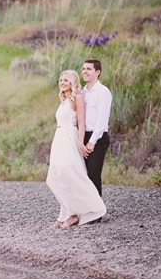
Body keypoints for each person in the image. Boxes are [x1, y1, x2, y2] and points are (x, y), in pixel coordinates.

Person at [46, 70, 106, 229]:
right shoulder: (63, 98)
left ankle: (76, 214)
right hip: (59, 138)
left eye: (66, 80)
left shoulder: (77, 98)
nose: (62, 82)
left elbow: (81, 123)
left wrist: (81, 143)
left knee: (69, 173)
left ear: (72, 81)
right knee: (55, 176)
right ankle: (65, 215)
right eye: (60, 79)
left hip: (69, 137)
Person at [81, 59, 112, 209]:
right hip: (83, 137)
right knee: (83, 175)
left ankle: (97, 211)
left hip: (98, 138)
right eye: (83, 69)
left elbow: (102, 120)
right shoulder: (82, 92)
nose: (84, 71)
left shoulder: (103, 92)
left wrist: (92, 142)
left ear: (97, 72)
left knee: (93, 174)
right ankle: (85, 208)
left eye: (89, 69)